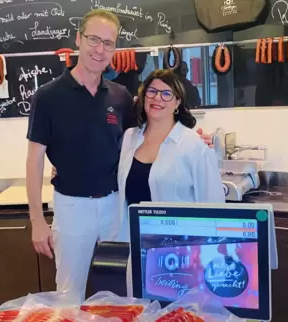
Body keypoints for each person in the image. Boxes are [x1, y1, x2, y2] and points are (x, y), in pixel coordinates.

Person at [26, 9, 213, 301]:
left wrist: (190, 137)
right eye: (93, 39)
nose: (100, 50)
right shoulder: (47, 97)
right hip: (72, 208)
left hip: (116, 207)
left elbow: (148, 130)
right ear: (78, 39)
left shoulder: (120, 96)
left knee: (123, 289)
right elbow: (34, 159)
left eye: (109, 43)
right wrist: (37, 220)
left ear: (115, 48)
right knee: (68, 292)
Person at [117, 69, 225, 297]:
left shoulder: (193, 145)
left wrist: (207, 256)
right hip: (138, 250)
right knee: (140, 312)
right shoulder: (129, 138)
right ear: (143, 97)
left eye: (167, 94)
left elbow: (214, 205)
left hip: (183, 254)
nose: (158, 98)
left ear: (177, 102)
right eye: (152, 91)